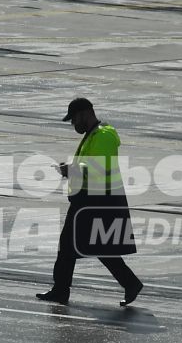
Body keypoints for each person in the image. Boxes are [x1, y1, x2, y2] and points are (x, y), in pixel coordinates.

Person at [38, 97, 144, 306]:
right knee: (97, 246)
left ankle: (61, 291)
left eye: (74, 119)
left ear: (85, 113)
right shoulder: (93, 134)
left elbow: (99, 168)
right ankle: (130, 283)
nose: (73, 124)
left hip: (98, 200)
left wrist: (72, 169)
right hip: (89, 199)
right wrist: (71, 168)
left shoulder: (103, 135)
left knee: (71, 245)